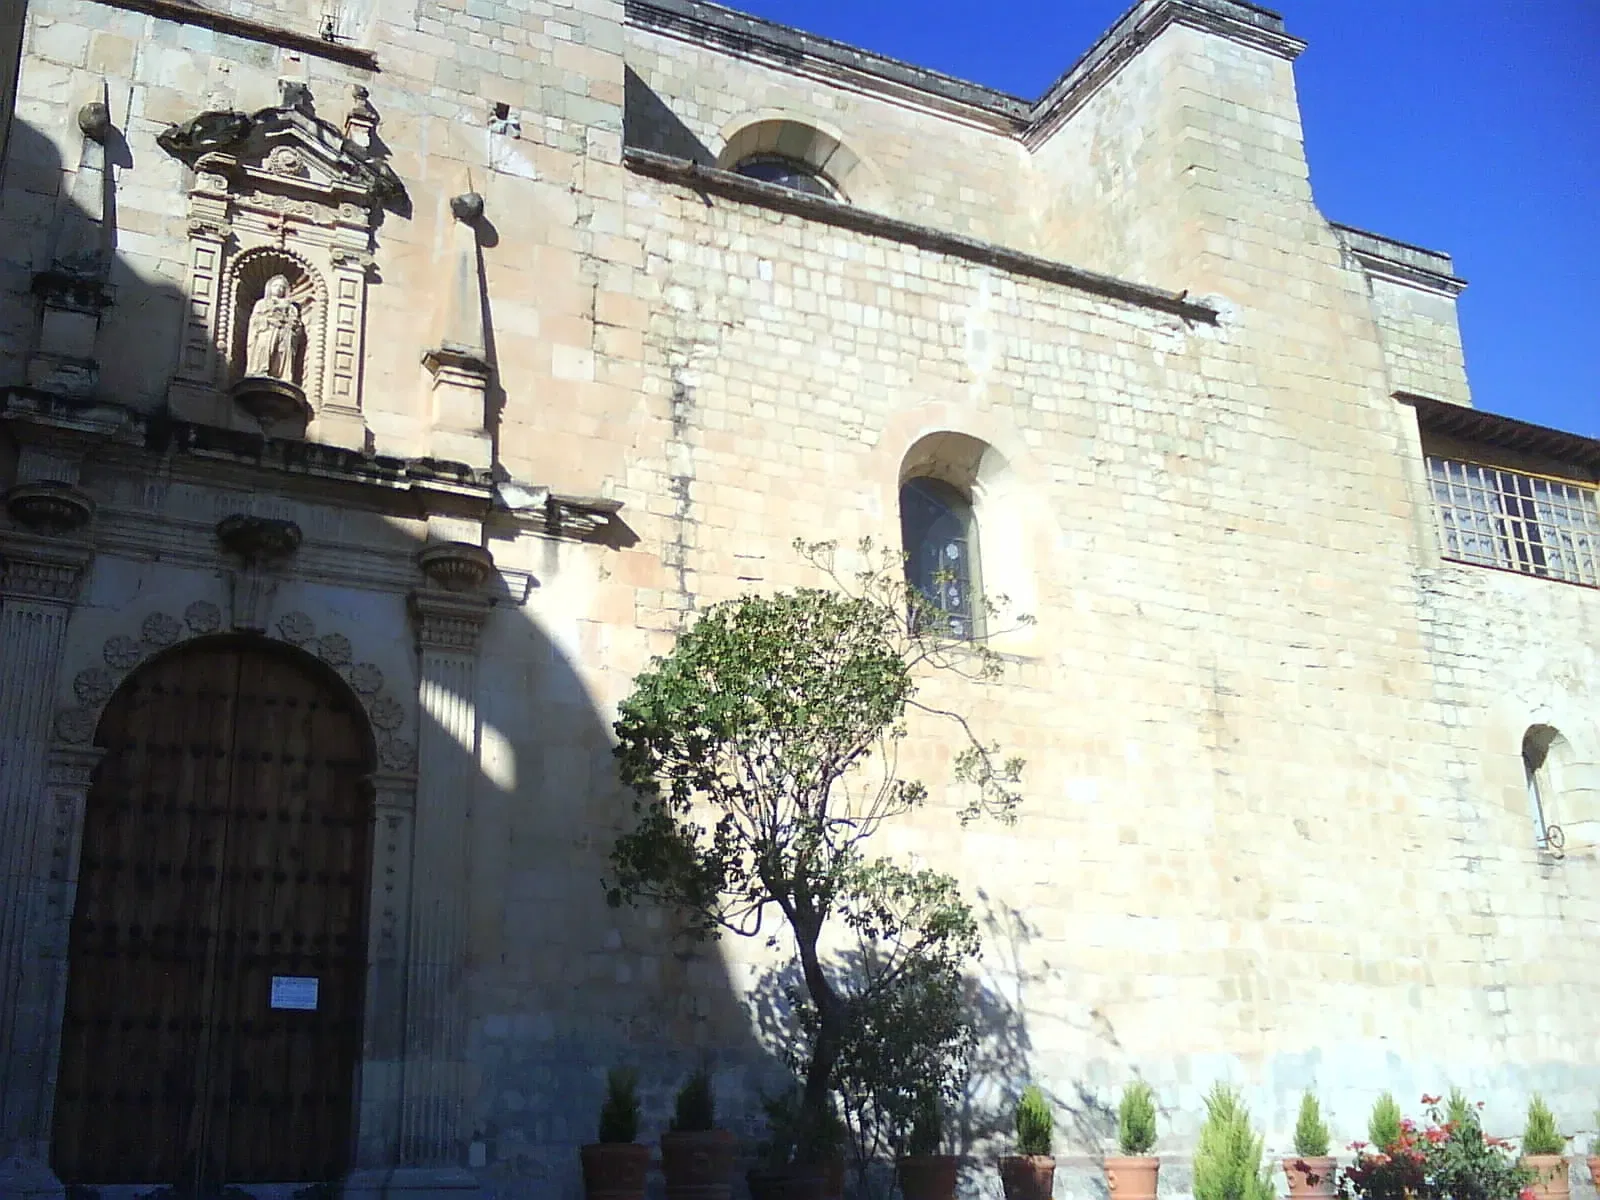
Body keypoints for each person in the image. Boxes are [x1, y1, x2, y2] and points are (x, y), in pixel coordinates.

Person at [245, 274, 303, 381]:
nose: (279, 289)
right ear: (270, 288)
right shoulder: (262, 303)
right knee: (264, 349)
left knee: (283, 352)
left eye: (282, 287)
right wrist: (269, 320)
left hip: (284, 335)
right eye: (276, 286)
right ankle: (260, 370)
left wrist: (291, 324)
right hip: (267, 333)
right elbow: (255, 321)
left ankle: (281, 374)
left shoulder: (291, 307)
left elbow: (297, 326)